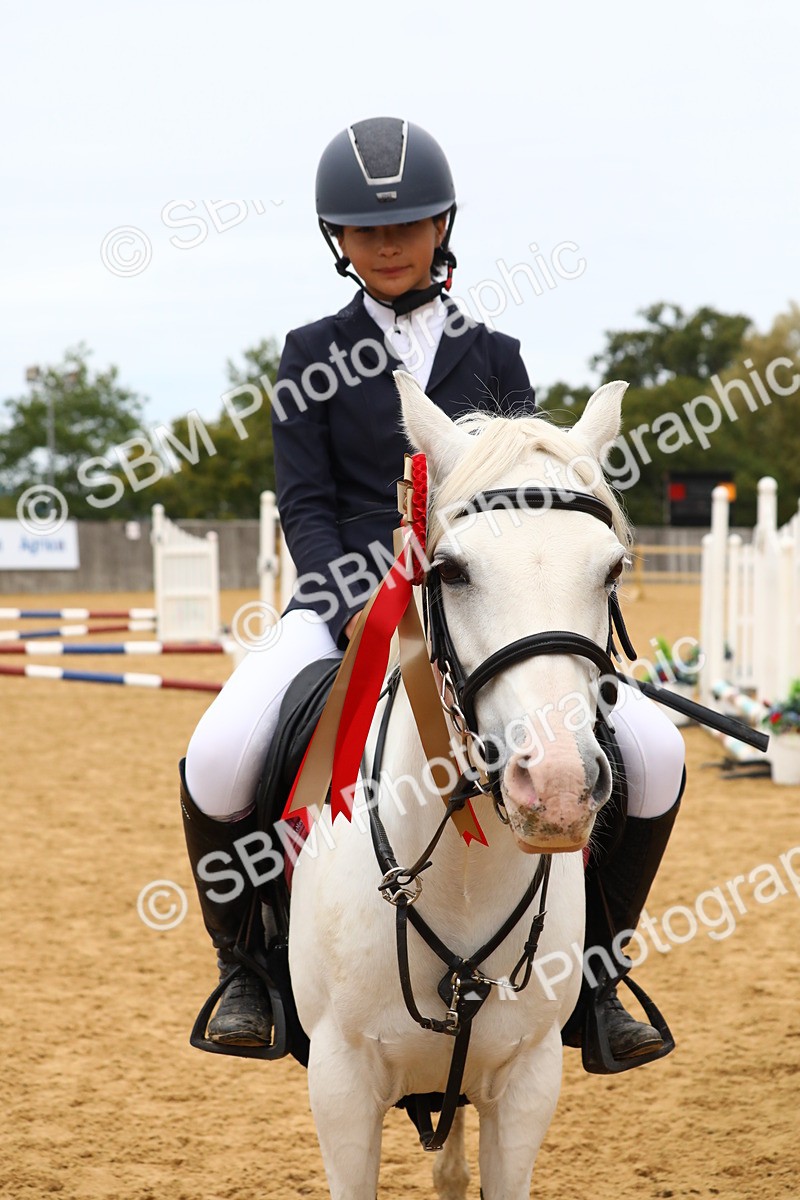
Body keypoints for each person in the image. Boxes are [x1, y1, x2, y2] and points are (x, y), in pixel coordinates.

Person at [179, 116, 685, 1070]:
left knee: (653, 754)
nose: (388, 243)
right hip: (345, 612)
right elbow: (308, 503)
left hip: (483, 613)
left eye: (408, 223)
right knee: (219, 752)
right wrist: (358, 601)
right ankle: (244, 969)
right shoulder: (308, 353)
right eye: (367, 230)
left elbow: (523, 502)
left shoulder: (496, 355)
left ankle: (602, 974)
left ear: (444, 224)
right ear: (337, 242)